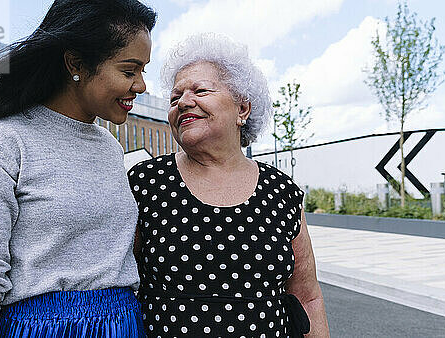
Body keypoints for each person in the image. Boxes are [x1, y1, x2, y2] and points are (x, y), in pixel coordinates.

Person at [0, 1, 156, 336]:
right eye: (129, 71)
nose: (140, 86)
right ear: (76, 63)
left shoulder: (111, 147)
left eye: (143, 71)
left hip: (125, 324)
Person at [127, 34, 329, 337]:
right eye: (174, 97)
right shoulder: (146, 183)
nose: (183, 102)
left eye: (200, 90)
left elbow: (307, 296)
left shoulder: (281, 192)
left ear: (242, 109)